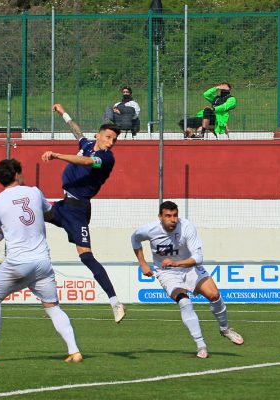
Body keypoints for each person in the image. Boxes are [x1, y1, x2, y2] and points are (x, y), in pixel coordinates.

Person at [0, 159, 82, 363]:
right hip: (42, 262)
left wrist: (0, 236)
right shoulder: (34, 192)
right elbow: (49, 211)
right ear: (16, 174)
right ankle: (74, 350)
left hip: (17, 263)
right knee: (52, 306)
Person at [42, 103, 126, 323]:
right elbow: (76, 131)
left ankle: (115, 301)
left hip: (78, 209)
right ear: (98, 136)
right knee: (33, 209)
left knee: (86, 256)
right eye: (108, 137)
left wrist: (58, 155)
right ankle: (6, 242)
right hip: (64, 205)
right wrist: (63, 113)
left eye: (114, 140)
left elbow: (87, 161)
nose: (111, 142)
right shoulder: (88, 144)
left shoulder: (106, 158)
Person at [131, 201, 244, 359]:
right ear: (160, 217)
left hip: (189, 268)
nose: (173, 219)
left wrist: (176, 263)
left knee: (214, 295)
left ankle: (225, 329)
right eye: (168, 216)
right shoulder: (149, 230)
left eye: (175, 215)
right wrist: (143, 264)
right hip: (167, 273)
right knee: (185, 302)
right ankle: (201, 345)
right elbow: (134, 239)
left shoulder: (187, 227)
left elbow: (198, 257)